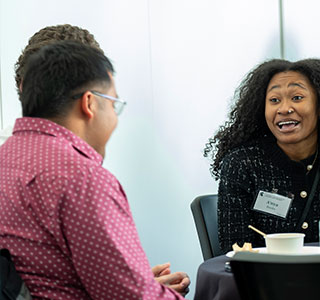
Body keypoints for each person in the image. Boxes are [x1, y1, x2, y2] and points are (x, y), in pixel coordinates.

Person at [0, 41, 188, 299]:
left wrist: (140, 280)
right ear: (89, 103)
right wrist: (147, 290)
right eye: (113, 104)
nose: (115, 116)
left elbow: (47, 269)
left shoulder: (7, 156)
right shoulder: (82, 179)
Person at [204, 58, 320, 253]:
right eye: (274, 100)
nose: (284, 109)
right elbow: (235, 247)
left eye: (297, 98)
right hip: (266, 278)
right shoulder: (242, 164)